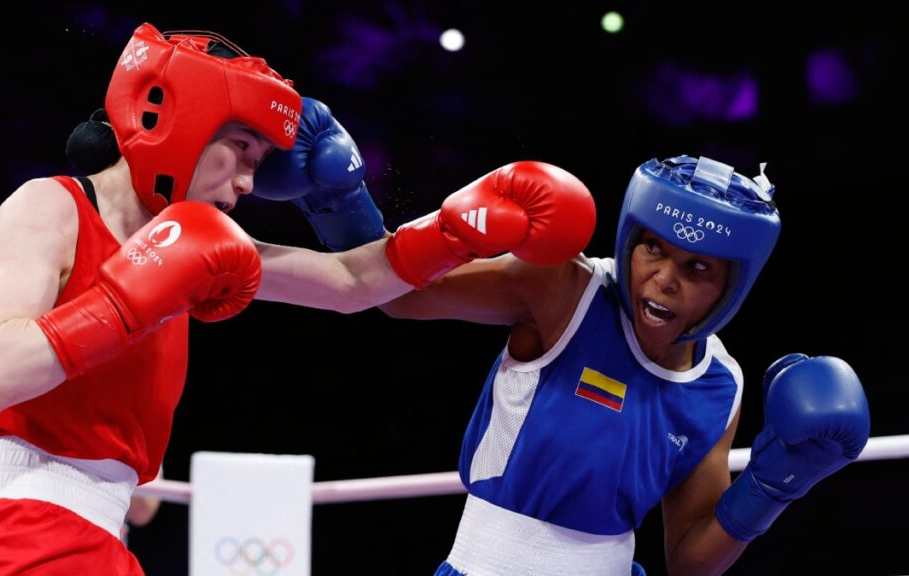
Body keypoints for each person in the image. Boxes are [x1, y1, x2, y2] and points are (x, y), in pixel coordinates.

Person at [0, 22, 596, 575]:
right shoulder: (50, 206)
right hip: (20, 530)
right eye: (244, 151)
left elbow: (350, 284)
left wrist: (456, 231)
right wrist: (132, 295)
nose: (252, 183)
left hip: (98, 539)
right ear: (174, 119)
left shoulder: (192, 246)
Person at [364, 156, 871, 575]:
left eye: (698, 267)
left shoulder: (719, 385)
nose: (665, 279)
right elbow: (398, 294)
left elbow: (691, 564)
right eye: (654, 248)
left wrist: (772, 487)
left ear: (732, 286)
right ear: (630, 239)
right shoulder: (567, 290)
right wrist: (339, 197)